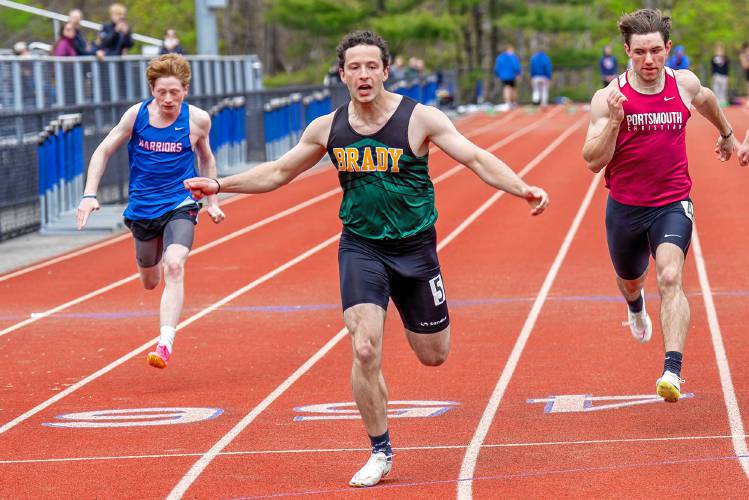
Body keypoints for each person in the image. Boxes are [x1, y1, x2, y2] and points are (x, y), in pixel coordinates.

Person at [184, 30, 549, 487]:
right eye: (354, 67)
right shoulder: (327, 128)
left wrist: (522, 187)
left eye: (370, 66)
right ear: (342, 74)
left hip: (416, 250)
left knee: (434, 355)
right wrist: (220, 186)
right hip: (362, 247)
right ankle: (380, 450)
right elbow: (278, 172)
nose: (363, 74)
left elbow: (475, 158)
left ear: (385, 70)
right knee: (364, 345)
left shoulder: (420, 119)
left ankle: (411, 326)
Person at [582, 9, 735, 403]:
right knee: (631, 279)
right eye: (639, 53)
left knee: (670, 277)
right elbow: (592, 159)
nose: (648, 60)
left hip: (672, 201)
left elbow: (707, 100)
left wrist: (726, 132)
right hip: (625, 207)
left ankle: (672, 370)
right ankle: (635, 307)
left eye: (655, 51)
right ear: (627, 52)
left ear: (668, 49)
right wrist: (615, 122)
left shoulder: (683, 85)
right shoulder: (608, 98)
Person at [76, 54, 225, 369]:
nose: (169, 99)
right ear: (152, 91)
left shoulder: (198, 119)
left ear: (185, 89)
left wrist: (212, 200)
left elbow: (207, 157)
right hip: (142, 208)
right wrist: (89, 194)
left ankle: (165, 343)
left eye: (175, 92)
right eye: (162, 92)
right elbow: (103, 150)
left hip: (180, 203)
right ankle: (151, 264)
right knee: (149, 279)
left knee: (174, 265)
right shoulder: (136, 115)